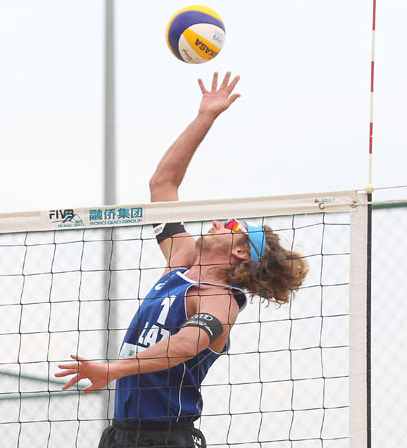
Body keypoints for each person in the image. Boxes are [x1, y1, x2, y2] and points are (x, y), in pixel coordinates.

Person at [55, 72, 309, 448]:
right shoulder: (181, 262)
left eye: (233, 224)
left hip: (167, 438)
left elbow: (188, 344)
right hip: (122, 433)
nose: (220, 221)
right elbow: (163, 184)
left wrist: (112, 369)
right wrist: (206, 116)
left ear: (240, 251)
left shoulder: (219, 298)